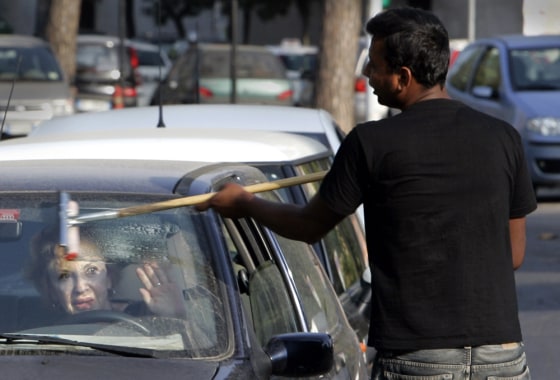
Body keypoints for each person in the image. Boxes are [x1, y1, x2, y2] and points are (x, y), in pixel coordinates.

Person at [196, 7, 537, 380]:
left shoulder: (372, 144)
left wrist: (244, 202)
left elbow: (309, 226)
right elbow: (514, 253)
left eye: (374, 65)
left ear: (403, 77)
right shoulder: (503, 138)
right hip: (502, 357)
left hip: (418, 359)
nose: (366, 74)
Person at [25, 226, 186, 319]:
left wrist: (175, 317)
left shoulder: (147, 315)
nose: (80, 288)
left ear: (109, 277)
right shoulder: (36, 336)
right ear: (51, 290)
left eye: (91, 271)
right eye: (64, 276)